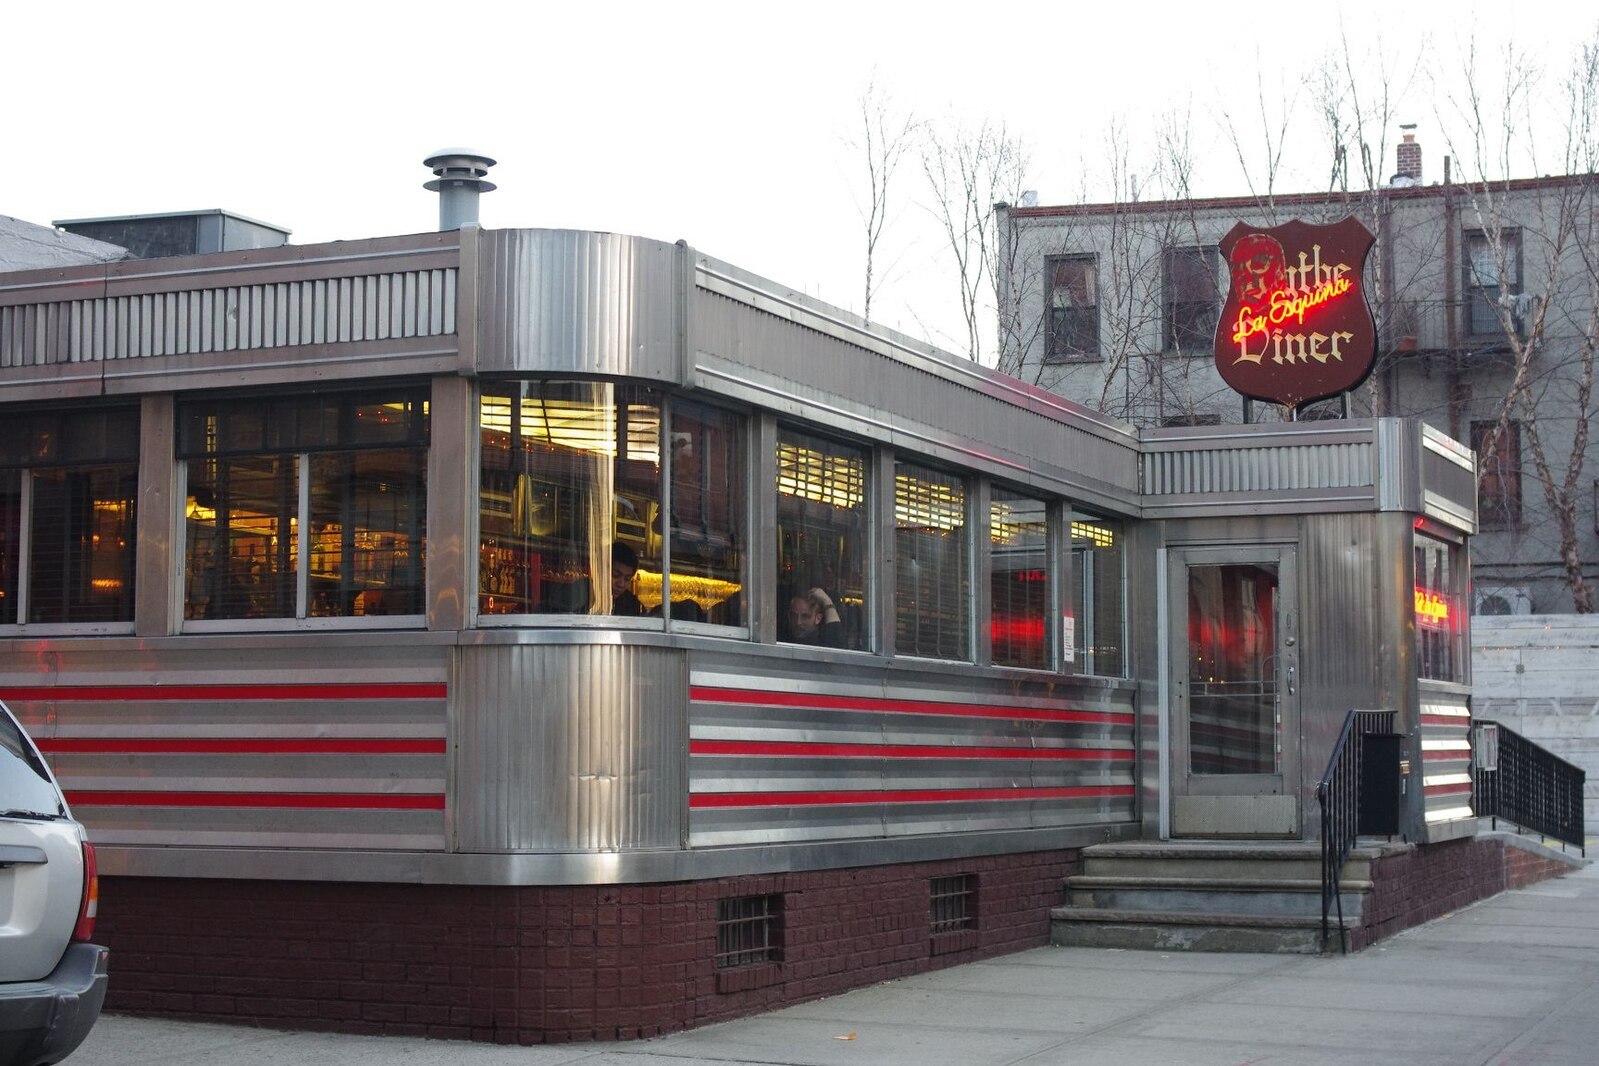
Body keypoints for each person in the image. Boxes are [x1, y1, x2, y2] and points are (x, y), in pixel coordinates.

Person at [610, 542, 644, 616]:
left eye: (627, 579)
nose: (621, 584)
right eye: (616, 575)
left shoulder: (633, 606)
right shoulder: (585, 595)